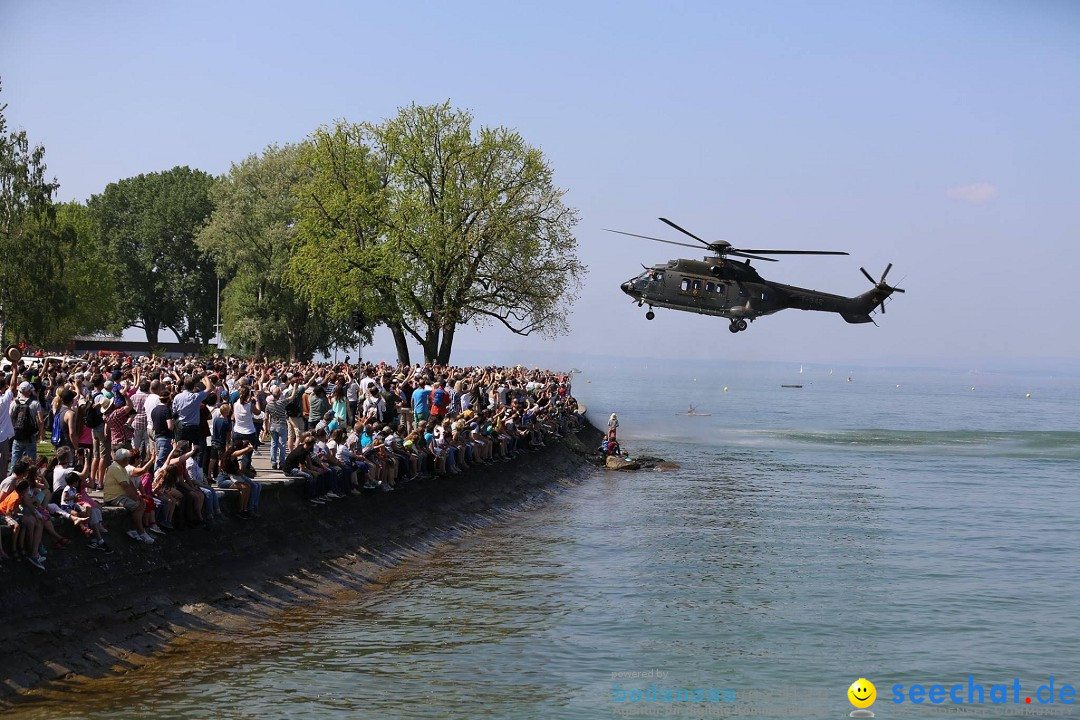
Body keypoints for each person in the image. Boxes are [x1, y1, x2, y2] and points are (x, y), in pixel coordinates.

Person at [103, 447, 154, 544]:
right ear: (124, 459)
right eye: (128, 458)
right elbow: (126, 486)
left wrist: (137, 496)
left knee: (142, 503)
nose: (129, 460)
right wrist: (135, 498)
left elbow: (129, 483)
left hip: (121, 496)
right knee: (137, 506)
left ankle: (134, 529)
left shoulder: (121, 467)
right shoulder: (116, 468)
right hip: (114, 497)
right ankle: (140, 532)